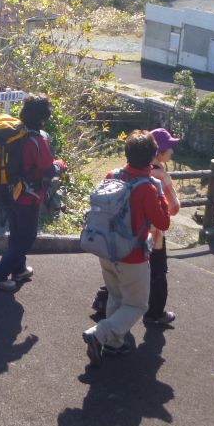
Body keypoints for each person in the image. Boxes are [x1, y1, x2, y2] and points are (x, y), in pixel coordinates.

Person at [82, 130, 170, 365]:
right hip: (132, 256)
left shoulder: (113, 174)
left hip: (106, 248)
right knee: (137, 304)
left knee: (116, 296)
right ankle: (99, 334)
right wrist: (161, 194)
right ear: (152, 157)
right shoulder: (147, 188)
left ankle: (113, 343)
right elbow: (163, 222)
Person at [0, 93, 66, 292]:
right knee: (27, 237)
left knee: (16, 233)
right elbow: (48, 168)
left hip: (7, 190)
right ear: (44, 116)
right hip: (27, 196)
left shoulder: (15, 134)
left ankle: (19, 269)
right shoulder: (36, 139)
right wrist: (61, 164)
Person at [144, 128, 182, 327]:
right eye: (169, 148)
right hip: (156, 235)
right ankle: (155, 312)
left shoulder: (139, 169)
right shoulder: (161, 176)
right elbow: (174, 208)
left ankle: (104, 300)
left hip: (136, 231)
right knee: (158, 271)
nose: (172, 152)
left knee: (132, 268)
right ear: (159, 152)